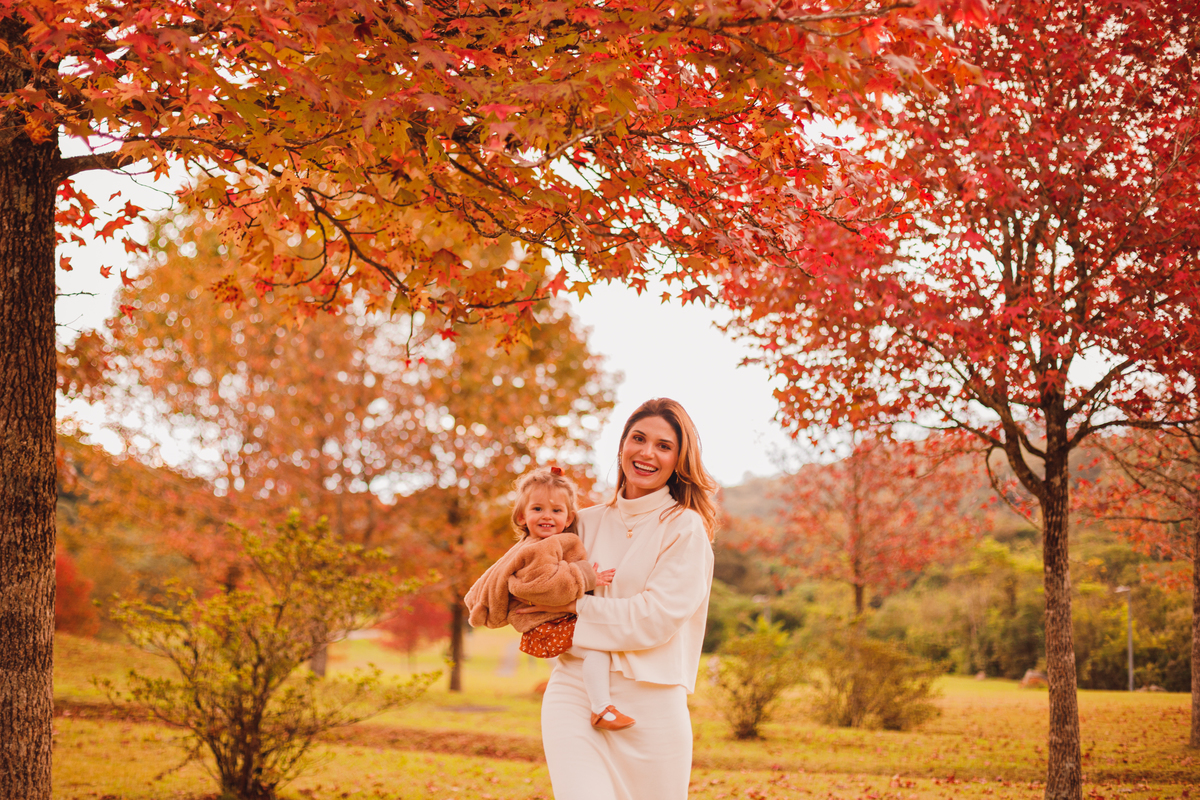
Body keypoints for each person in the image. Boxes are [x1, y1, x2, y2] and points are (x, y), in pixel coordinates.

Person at [515, 398, 719, 800]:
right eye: (638, 438)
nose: (647, 452)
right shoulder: (580, 522)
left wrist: (570, 607)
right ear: (622, 445)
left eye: (664, 445)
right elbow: (529, 586)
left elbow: (652, 620)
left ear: (679, 459)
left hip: (652, 704)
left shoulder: (685, 528)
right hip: (574, 691)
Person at [464, 466, 636, 731]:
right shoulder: (541, 547)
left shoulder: (528, 545)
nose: (547, 516)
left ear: (568, 518)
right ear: (522, 516)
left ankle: (594, 704)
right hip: (544, 625)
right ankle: (601, 709)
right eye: (538, 509)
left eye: (556, 510)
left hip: (545, 625)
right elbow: (544, 586)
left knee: (593, 649)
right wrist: (586, 576)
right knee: (598, 649)